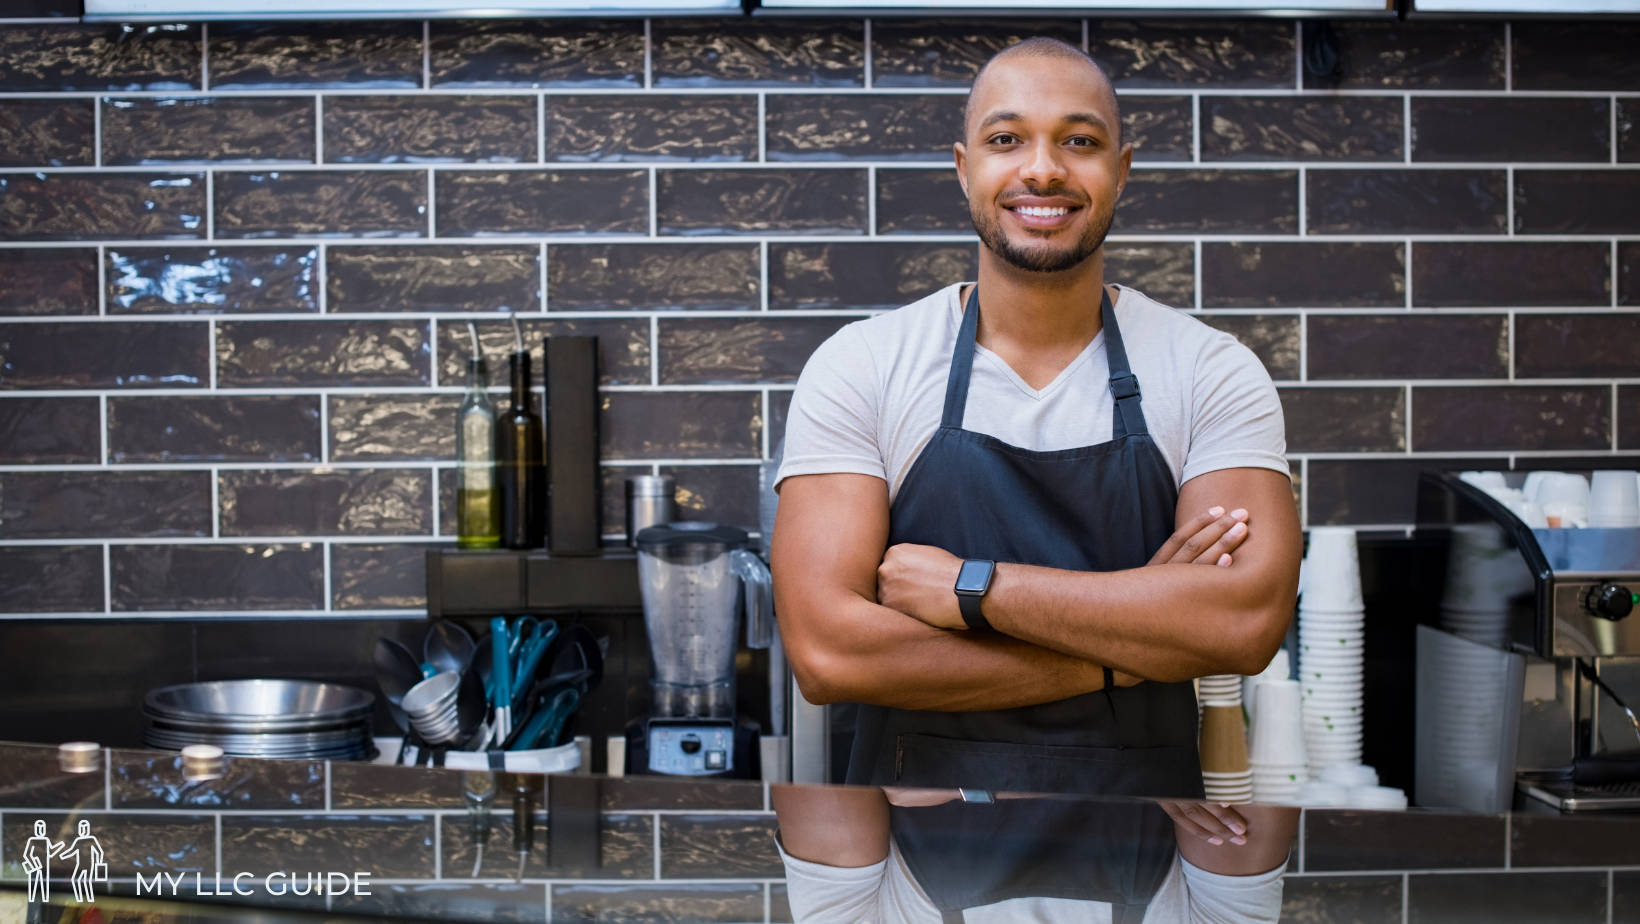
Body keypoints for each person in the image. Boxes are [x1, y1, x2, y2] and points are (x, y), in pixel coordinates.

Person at [770, 35, 1302, 921]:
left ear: (1122, 169)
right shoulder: (864, 365)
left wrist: (972, 587)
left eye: (1080, 141)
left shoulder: (1212, 371)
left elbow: (1241, 623)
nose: (1043, 171)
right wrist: (1130, 652)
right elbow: (828, 652)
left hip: (1153, 843)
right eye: (1008, 139)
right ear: (964, 165)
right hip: (909, 842)